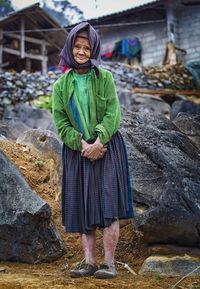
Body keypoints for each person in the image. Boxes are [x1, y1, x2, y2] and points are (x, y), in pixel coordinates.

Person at [52, 22, 134, 279]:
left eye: (87, 47)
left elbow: (113, 113)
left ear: (94, 49)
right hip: (78, 152)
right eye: (77, 46)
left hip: (107, 147)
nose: (81, 51)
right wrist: (83, 144)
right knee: (82, 206)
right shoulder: (60, 86)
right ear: (70, 48)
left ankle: (109, 263)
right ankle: (89, 262)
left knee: (108, 205)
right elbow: (61, 123)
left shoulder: (105, 77)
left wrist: (99, 141)